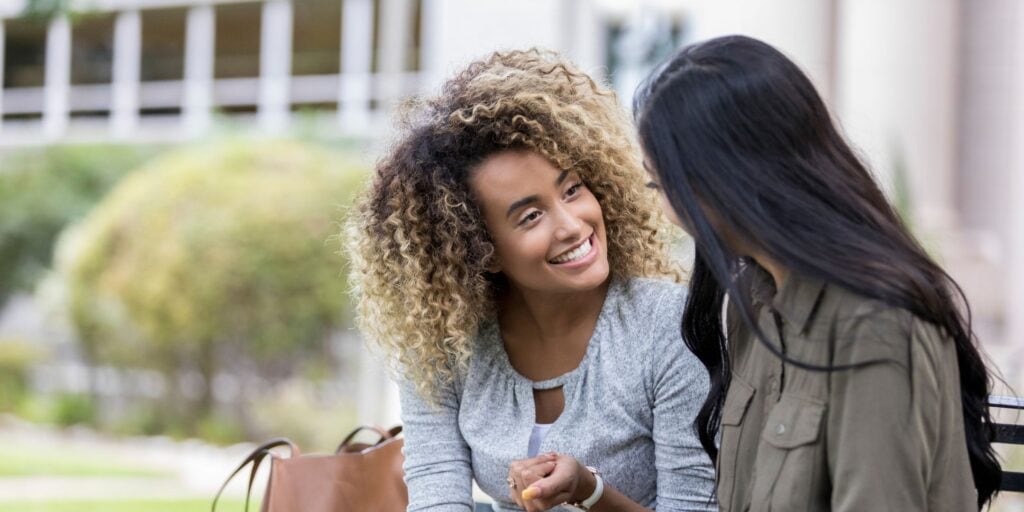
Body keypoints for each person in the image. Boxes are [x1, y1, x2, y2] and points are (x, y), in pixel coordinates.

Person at [633, 35, 1002, 511]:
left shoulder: (875, 326)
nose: (665, 210)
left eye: (663, 183)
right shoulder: (753, 299)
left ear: (729, 175)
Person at [347, 49, 717, 511]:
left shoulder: (670, 328)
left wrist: (591, 492)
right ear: (480, 249)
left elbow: (695, 506)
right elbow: (436, 490)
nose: (571, 225)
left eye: (572, 190)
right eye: (531, 216)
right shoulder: (448, 344)